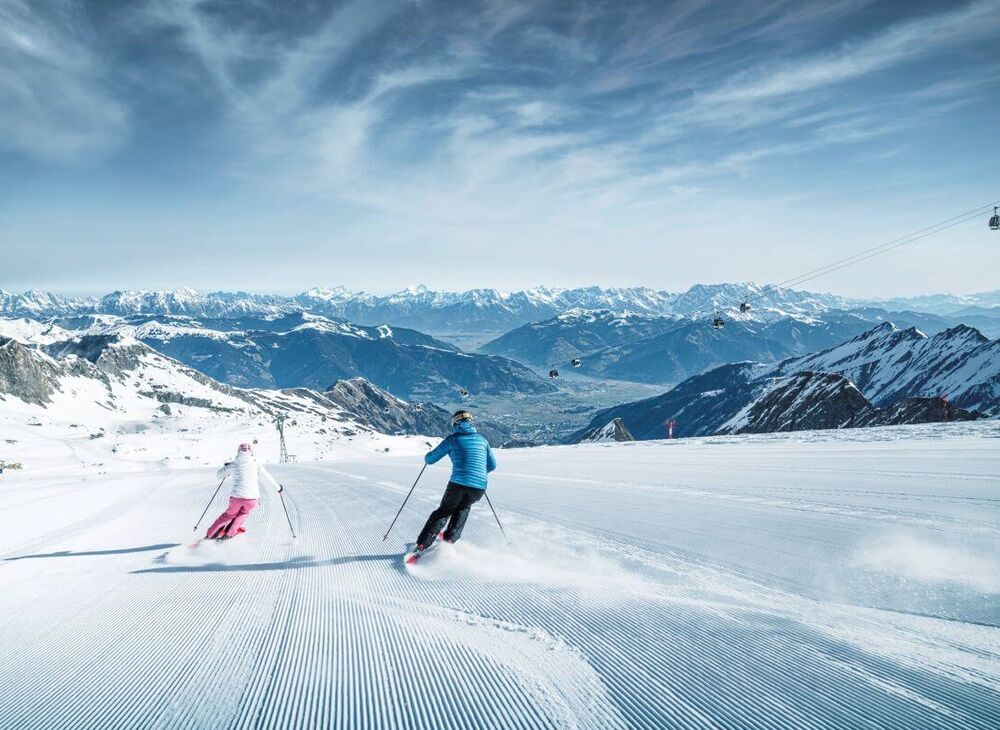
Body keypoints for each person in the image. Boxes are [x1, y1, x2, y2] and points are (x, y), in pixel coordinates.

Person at [412, 410, 497, 555]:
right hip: (479, 487)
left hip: (458, 483)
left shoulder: (453, 439)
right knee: (463, 509)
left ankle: (422, 546)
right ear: (471, 422)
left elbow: (430, 460)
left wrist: (427, 456)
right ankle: (450, 539)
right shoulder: (483, 440)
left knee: (444, 511)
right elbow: (492, 466)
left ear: (455, 423)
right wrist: (477, 474)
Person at [205, 443, 282, 539]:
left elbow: (219, 475)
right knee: (243, 513)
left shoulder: (233, 465)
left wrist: (227, 469)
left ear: (238, 452)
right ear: (251, 453)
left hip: (237, 497)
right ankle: (230, 533)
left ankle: (210, 535)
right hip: (252, 499)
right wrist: (279, 488)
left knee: (228, 515)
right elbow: (268, 477)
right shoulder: (256, 465)